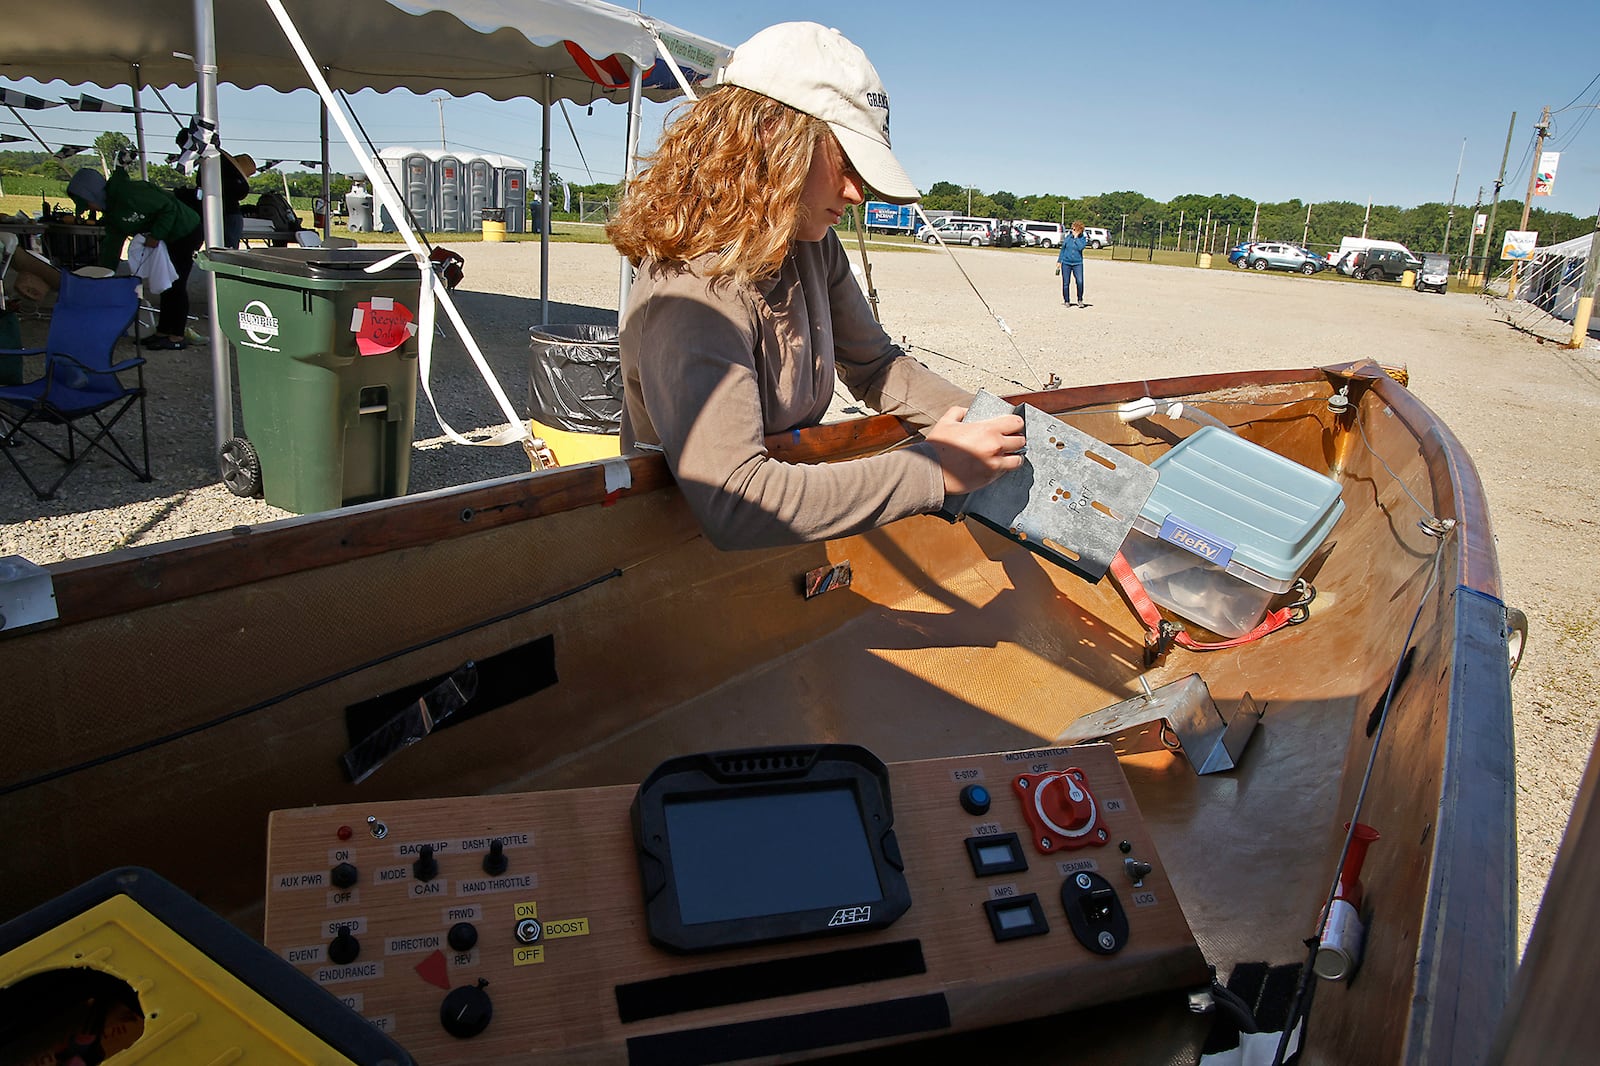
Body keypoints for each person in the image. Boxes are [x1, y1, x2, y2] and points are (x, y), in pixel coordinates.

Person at [607, 22, 1025, 550]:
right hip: (671, 555)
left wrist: (1000, 427)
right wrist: (934, 471)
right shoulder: (692, 284)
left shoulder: (809, 244)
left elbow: (876, 366)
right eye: (845, 162)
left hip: (782, 545)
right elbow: (735, 497)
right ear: (770, 138)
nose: (858, 192)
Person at [67, 167, 202, 350]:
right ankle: (162, 332)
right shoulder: (112, 214)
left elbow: (168, 207)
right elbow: (112, 246)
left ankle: (176, 337)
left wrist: (156, 234)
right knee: (164, 284)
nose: (91, 209)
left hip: (186, 231)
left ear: (94, 194)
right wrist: (103, 274)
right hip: (166, 237)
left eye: (88, 203)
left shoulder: (131, 193)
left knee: (175, 283)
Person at [1057, 221, 1089, 306]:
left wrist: (1076, 238)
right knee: (1066, 283)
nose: (1073, 231)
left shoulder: (1082, 239)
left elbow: (1081, 248)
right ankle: (1066, 300)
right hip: (1066, 262)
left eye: (1075, 229)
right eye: (1072, 229)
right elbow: (1063, 249)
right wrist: (1059, 261)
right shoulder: (1068, 237)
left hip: (1077, 263)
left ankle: (1080, 299)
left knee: (1080, 281)